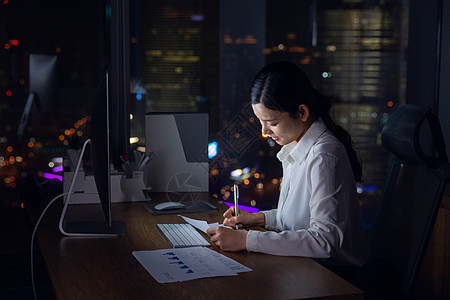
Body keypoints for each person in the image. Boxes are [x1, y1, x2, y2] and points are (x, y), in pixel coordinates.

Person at [206, 61, 370, 269]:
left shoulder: (323, 156)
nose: (265, 131)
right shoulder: (296, 144)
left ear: (301, 112)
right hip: (308, 267)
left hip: (336, 276)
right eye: (260, 121)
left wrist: (244, 240)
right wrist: (256, 218)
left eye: (272, 123)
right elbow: (298, 221)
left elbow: (324, 241)